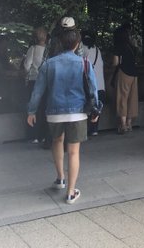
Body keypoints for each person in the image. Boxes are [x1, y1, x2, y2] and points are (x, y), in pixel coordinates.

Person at [26, 24, 99, 205]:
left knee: (57, 142)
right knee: (74, 152)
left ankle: (60, 178)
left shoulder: (49, 64)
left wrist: (31, 111)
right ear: (76, 44)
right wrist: (96, 109)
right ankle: (71, 192)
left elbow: (38, 91)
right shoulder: (84, 63)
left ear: (59, 43)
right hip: (77, 112)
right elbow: (93, 89)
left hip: (54, 112)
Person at [111, 24, 139, 134]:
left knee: (122, 97)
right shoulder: (132, 46)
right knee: (132, 98)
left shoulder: (118, 46)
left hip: (123, 72)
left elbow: (115, 63)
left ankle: (122, 125)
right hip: (134, 73)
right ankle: (129, 123)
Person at [23, 27, 48, 143]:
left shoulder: (32, 49)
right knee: (44, 108)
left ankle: (33, 135)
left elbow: (27, 65)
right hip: (46, 82)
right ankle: (43, 134)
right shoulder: (49, 50)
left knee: (33, 107)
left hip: (34, 80)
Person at [82, 30, 106, 136]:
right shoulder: (97, 50)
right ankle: (94, 129)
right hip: (100, 84)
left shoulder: (82, 49)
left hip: (89, 86)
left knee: (87, 107)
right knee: (96, 108)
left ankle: (86, 130)